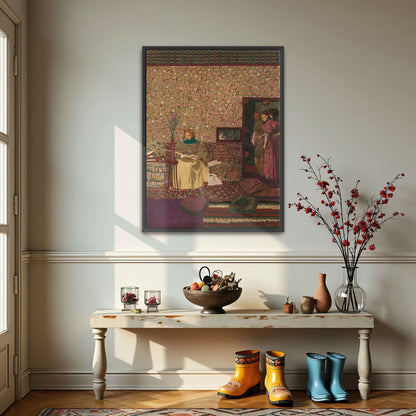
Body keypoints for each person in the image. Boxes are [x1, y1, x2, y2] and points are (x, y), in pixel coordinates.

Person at [261, 109, 280, 186]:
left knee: (270, 158)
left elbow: (267, 135)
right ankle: (276, 177)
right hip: (277, 142)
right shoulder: (279, 122)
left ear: (270, 116)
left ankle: (271, 177)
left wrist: (265, 144)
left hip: (271, 143)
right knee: (276, 158)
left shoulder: (269, 123)